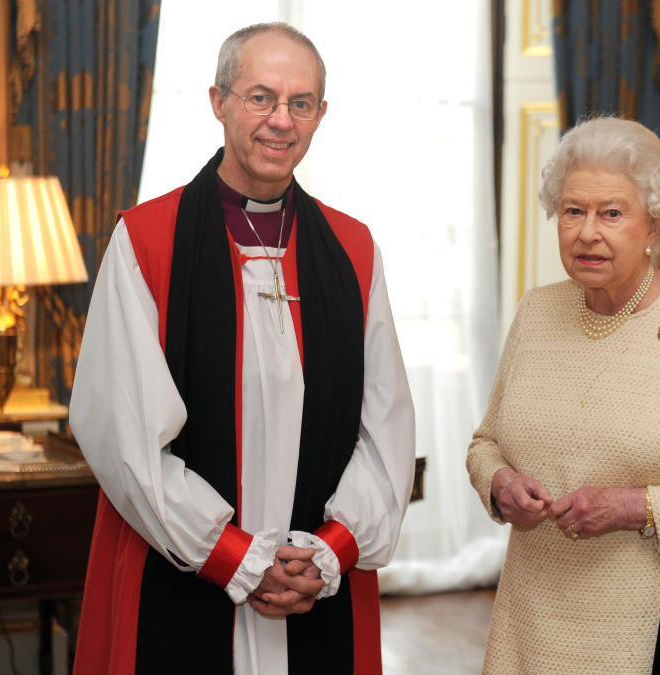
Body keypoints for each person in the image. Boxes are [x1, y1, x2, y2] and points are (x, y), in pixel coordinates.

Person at [69, 22, 415, 675]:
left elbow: (386, 429)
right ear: (218, 101)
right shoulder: (147, 242)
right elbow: (126, 439)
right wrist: (236, 557)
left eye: (301, 103)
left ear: (321, 115)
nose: (281, 120)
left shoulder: (353, 251)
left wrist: (328, 551)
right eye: (260, 97)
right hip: (183, 576)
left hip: (317, 586)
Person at [466, 117, 660, 673]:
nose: (588, 232)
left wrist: (634, 508)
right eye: (573, 211)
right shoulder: (537, 312)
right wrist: (499, 485)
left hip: (648, 633)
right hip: (526, 622)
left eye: (612, 213)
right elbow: (486, 442)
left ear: (654, 226)